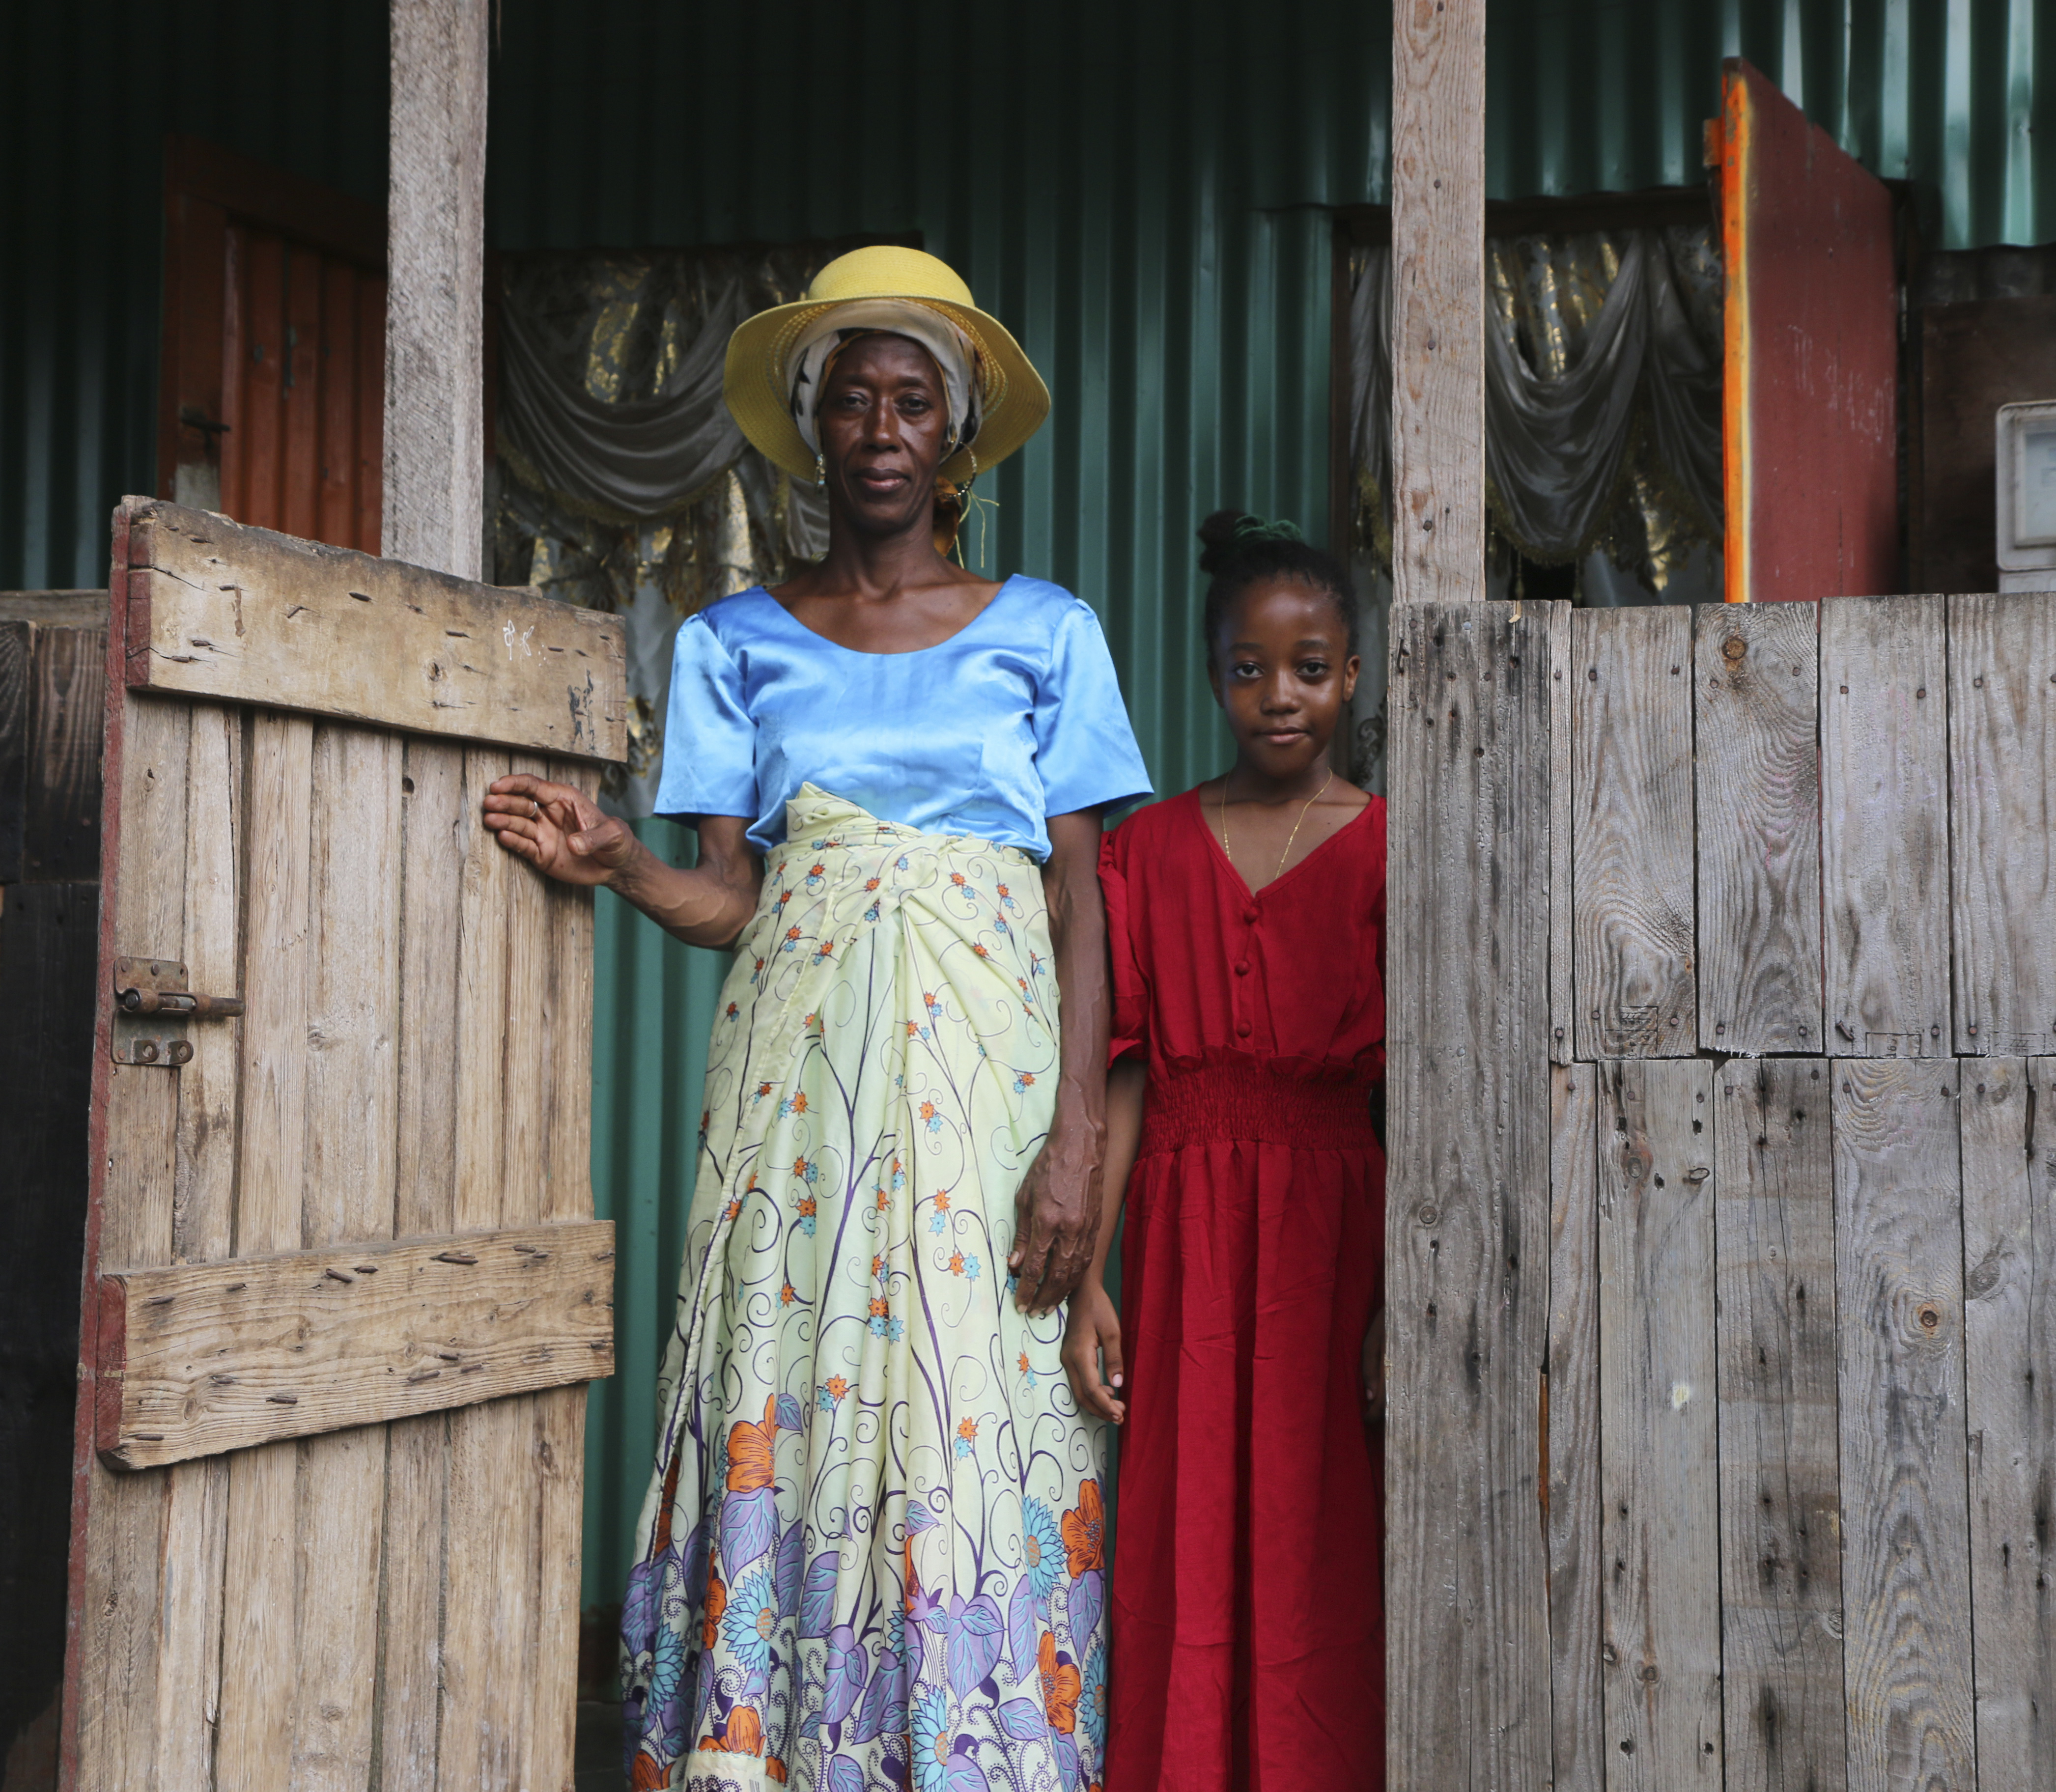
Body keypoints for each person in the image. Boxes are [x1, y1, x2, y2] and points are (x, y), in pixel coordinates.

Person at [483, 246, 1151, 1792]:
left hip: (988, 1112)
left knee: (973, 1403)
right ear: (813, 428)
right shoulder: (735, 643)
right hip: (799, 1115)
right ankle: (769, 1749)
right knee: (791, 1386)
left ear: (958, 434)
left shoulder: (1047, 632)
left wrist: (1078, 1151)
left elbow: (1083, 901)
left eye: (914, 400)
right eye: (850, 400)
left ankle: (975, 1750)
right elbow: (738, 899)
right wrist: (625, 865)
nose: (881, 427)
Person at [1061, 512, 1386, 1792]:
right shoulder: (1147, 850)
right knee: (1185, 1529)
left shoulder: (1394, 844)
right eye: (1249, 669)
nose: (1281, 695)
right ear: (1213, 678)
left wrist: (1398, 1308)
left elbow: (1422, 1097)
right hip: (1187, 1238)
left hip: (1338, 1236)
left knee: (1324, 1535)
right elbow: (1129, 1076)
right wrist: (1092, 1273)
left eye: (1310, 666)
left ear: (1353, 675)